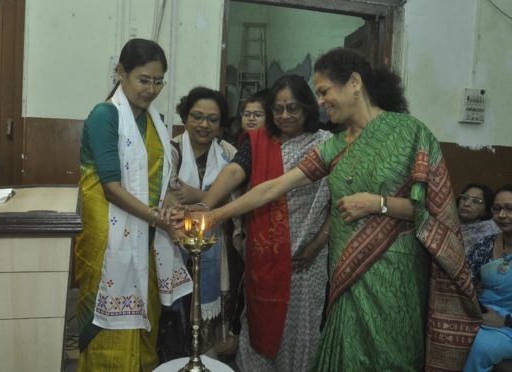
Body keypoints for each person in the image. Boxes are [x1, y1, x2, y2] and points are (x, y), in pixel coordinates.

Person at [192, 48, 482, 371]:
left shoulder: (410, 133)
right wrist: (214, 214)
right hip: (346, 273)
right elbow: (275, 186)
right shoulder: (335, 144)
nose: (320, 101)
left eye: (324, 91)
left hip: (394, 274)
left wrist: (377, 203)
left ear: (354, 83)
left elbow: (431, 209)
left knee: (391, 355)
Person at [190, 74, 332, 371]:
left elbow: (339, 202)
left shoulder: (327, 145)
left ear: (307, 107)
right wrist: (205, 205)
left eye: (292, 108)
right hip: (264, 257)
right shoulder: (259, 141)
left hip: (307, 259)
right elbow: (233, 172)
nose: (284, 116)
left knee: (299, 333)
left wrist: (318, 243)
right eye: (277, 109)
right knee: (258, 325)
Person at [74, 38, 192, 372]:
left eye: (158, 81)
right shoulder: (105, 116)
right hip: (108, 238)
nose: (152, 89)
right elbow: (111, 188)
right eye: (144, 79)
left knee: (144, 317)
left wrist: (168, 207)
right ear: (121, 72)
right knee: (105, 322)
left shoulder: (155, 121)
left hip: (149, 237)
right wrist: (159, 219)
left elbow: (161, 179)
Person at [163, 86, 239, 356]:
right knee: (176, 312)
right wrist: (214, 198)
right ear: (185, 117)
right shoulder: (170, 150)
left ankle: (205, 356)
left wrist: (197, 196)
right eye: (197, 116)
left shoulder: (229, 153)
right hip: (174, 245)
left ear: (221, 124)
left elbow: (238, 201)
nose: (204, 124)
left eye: (212, 119)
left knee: (211, 309)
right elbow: (168, 198)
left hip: (217, 247)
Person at [464, 184, 512, 371]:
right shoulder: (485, 245)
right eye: (497, 209)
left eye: (509, 209)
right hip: (483, 315)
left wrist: (504, 322)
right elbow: (465, 281)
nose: (502, 215)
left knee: (481, 348)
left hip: (507, 326)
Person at [458, 182, 500, 253]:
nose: (466, 204)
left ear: (486, 209)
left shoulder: (490, 232)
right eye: (464, 198)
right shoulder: (446, 221)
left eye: (476, 201)